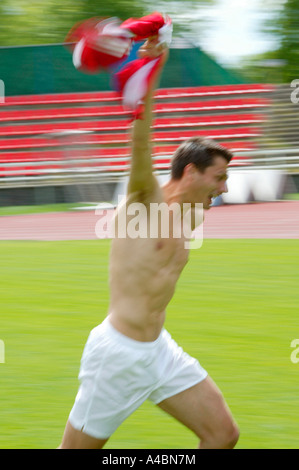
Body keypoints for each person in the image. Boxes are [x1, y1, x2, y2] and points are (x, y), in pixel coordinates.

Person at [59, 36, 239, 450]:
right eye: (218, 178)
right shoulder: (144, 203)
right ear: (190, 172)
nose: (224, 188)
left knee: (223, 434)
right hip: (117, 357)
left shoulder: (192, 212)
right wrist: (149, 74)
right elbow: (141, 142)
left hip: (159, 351)